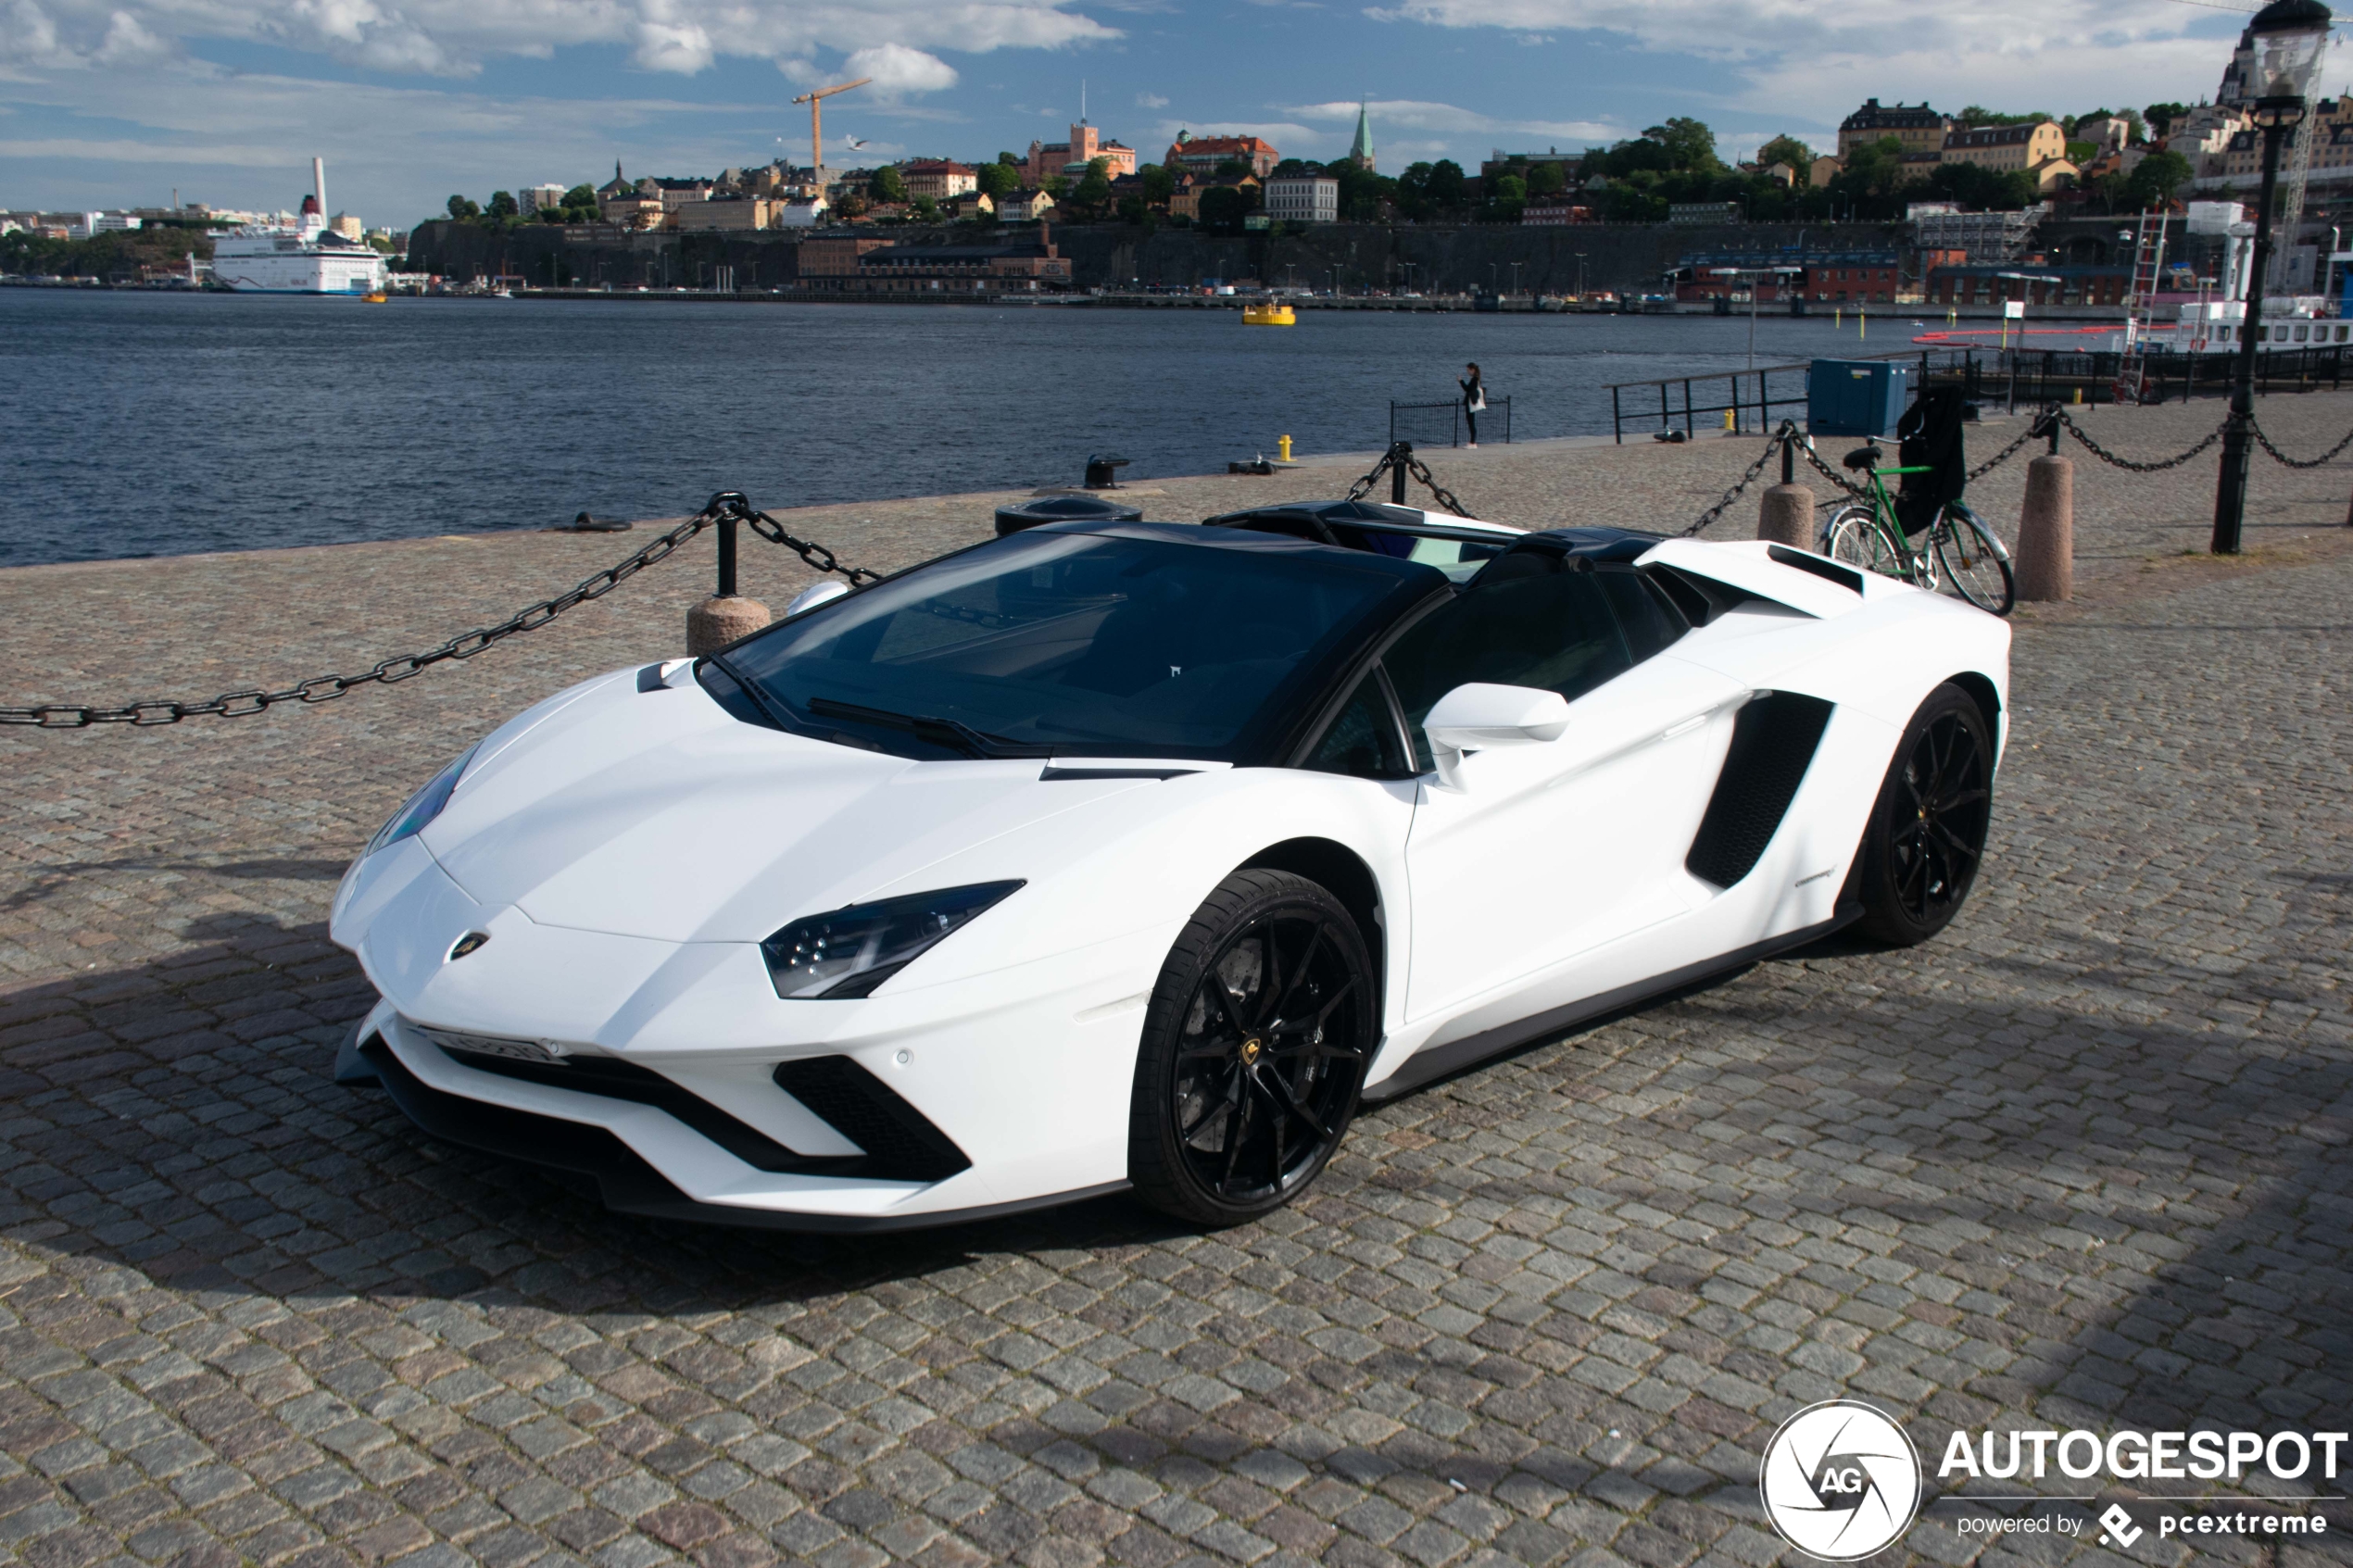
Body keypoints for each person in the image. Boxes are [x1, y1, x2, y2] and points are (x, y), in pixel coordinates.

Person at [1460, 362, 1486, 447]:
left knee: (1471, 422)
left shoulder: (1474, 379)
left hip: (1471, 403)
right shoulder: (1476, 379)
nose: (1468, 372)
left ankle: (1472, 442)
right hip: (1471, 402)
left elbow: (1467, 389)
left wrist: (1461, 381)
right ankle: (1472, 442)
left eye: (1468, 370)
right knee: (1471, 421)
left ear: (1472, 370)